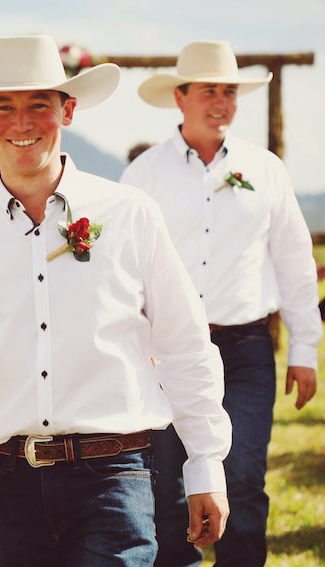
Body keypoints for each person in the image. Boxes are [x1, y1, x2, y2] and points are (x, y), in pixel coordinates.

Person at [0, 35, 232, 565]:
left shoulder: (130, 214)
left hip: (113, 480)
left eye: (40, 105)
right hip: (4, 488)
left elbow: (183, 344)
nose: (22, 123)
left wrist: (206, 463)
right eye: (5, 107)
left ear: (68, 110)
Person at [120, 40, 321, 567]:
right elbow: (121, 268)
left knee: (244, 480)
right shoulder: (144, 176)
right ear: (180, 98)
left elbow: (295, 262)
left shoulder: (266, 169)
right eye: (209, 90)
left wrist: (304, 347)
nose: (221, 102)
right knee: (167, 486)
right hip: (166, 349)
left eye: (229, 92)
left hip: (247, 346)